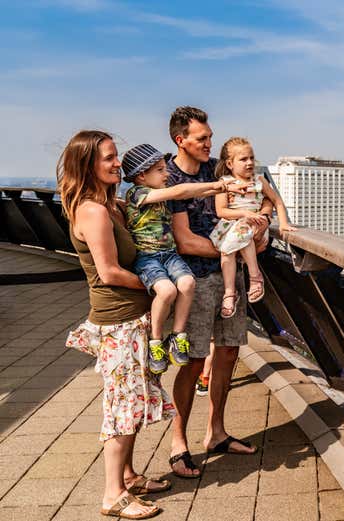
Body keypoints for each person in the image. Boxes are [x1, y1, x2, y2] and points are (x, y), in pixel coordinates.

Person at [59, 130, 174, 519]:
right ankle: (113, 495)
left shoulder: (111, 204)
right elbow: (108, 272)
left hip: (130, 318)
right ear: (88, 164)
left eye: (116, 156)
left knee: (134, 400)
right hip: (119, 321)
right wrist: (158, 285)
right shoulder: (92, 211)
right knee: (123, 407)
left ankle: (128, 475)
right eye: (107, 158)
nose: (117, 163)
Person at [165, 106, 277, 478]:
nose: (209, 143)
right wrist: (238, 245)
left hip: (229, 276)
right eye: (202, 138)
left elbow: (263, 190)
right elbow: (185, 241)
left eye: (210, 137)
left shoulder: (217, 168)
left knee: (227, 353)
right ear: (181, 140)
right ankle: (178, 442)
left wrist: (261, 222)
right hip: (195, 279)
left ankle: (216, 432)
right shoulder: (170, 177)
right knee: (196, 361)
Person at [121, 144, 247, 373]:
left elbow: (191, 192)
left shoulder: (158, 190)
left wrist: (220, 189)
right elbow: (180, 192)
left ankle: (177, 336)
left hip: (169, 255)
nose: (166, 173)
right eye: (160, 170)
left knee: (187, 283)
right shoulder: (137, 194)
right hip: (149, 258)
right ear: (141, 175)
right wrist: (216, 185)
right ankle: (156, 341)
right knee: (167, 291)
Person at [211, 136, 296, 318]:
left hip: (255, 228)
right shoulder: (225, 183)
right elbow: (221, 211)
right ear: (230, 163)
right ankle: (242, 284)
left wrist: (283, 223)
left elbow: (276, 201)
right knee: (231, 247)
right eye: (243, 159)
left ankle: (234, 291)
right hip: (231, 226)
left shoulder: (259, 181)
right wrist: (244, 213)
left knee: (239, 239)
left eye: (251, 158)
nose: (249, 163)